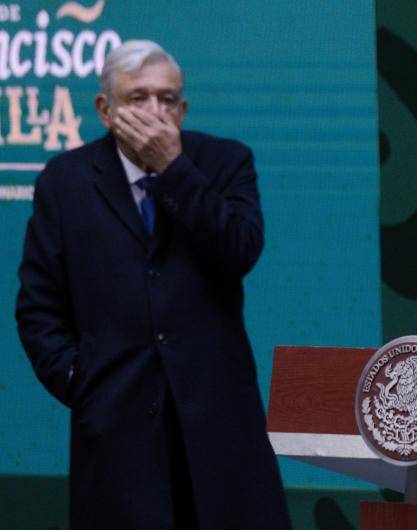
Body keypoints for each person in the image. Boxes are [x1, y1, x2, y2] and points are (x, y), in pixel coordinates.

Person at [16, 40, 291, 529]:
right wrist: (83, 381)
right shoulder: (65, 180)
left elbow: (239, 251)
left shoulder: (226, 162)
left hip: (217, 423)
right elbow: (39, 307)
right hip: (116, 427)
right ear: (105, 109)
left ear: (183, 108)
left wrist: (174, 169)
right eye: (137, 98)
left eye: (167, 99)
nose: (155, 112)